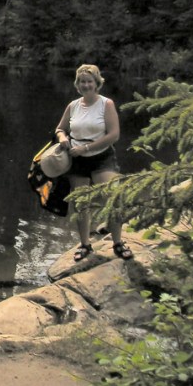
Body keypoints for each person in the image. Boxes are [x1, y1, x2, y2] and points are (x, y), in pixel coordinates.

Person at [53, 64, 133, 262]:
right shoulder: (73, 106)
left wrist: (87, 148)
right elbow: (59, 129)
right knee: (81, 204)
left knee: (112, 200)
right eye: (82, 81)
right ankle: (85, 245)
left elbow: (114, 135)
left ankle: (117, 243)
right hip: (77, 159)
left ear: (97, 83)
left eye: (89, 81)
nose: (86, 85)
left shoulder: (106, 104)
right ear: (77, 84)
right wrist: (63, 138)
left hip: (102, 157)